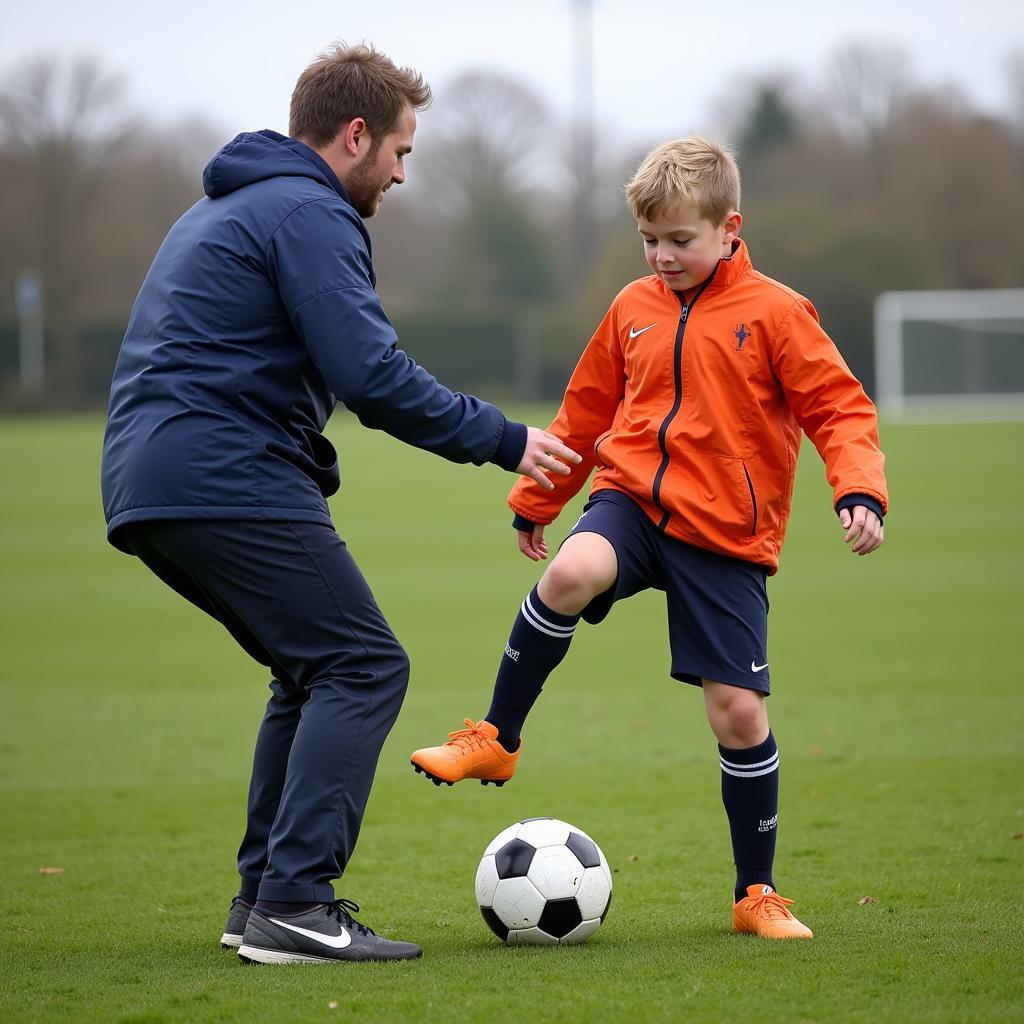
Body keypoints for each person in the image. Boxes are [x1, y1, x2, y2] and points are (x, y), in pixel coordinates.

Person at [100, 43, 579, 966]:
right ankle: (296, 904)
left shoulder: (227, 203)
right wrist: (508, 439)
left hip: (152, 480)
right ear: (355, 135)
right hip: (225, 474)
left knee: (311, 671)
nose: (403, 172)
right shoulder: (309, 212)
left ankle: (261, 903)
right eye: (400, 150)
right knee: (363, 666)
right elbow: (372, 376)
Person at [410, 136, 888, 941]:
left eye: (680, 240)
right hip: (632, 498)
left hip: (725, 532)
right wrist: (539, 498)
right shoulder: (632, 309)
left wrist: (860, 488)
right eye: (649, 240)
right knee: (572, 570)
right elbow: (587, 411)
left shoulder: (776, 312)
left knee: (737, 714)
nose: (661, 256)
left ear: (729, 228)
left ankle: (755, 894)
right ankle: (495, 737)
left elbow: (838, 409)